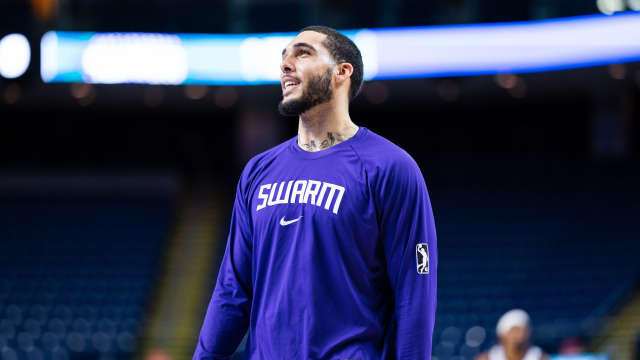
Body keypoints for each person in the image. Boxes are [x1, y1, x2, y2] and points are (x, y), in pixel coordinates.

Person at [193, 25, 438, 359]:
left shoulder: (391, 167)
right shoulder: (257, 172)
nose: (286, 65)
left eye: (302, 53)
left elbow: (415, 293)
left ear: (342, 71)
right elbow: (232, 291)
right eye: (283, 58)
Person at [475, 309, 550, 360]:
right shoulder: (487, 358)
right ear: (503, 334)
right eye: (515, 330)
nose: (520, 334)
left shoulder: (540, 357)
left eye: (524, 330)